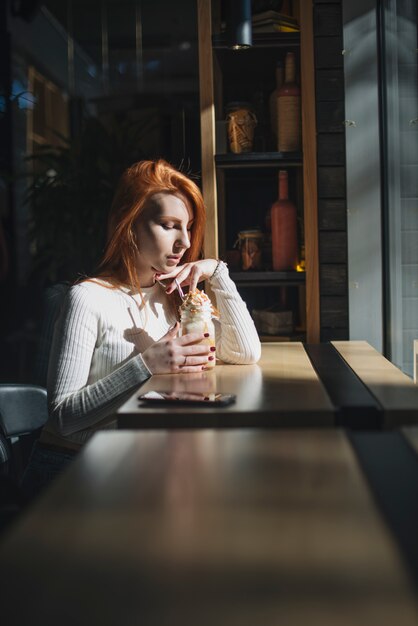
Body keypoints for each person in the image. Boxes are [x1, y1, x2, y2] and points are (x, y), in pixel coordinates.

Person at [22, 159, 261, 495]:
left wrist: (218, 272)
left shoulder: (175, 298)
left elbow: (245, 352)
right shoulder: (86, 298)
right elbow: (62, 418)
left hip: (138, 464)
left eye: (188, 227)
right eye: (168, 225)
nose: (183, 241)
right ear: (129, 224)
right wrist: (148, 363)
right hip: (72, 468)